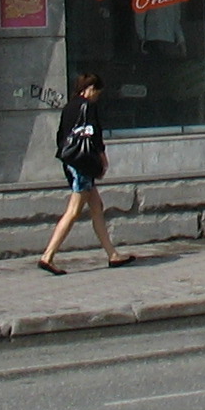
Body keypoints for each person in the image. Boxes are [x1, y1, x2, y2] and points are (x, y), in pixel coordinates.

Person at [38, 71, 135, 273]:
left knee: (97, 206)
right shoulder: (87, 106)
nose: (97, 96)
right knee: (73, 211)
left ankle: (113, 255)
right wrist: (102, 159)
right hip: (82, 165)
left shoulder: (69, 107)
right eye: (97, 92)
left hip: (71, 161)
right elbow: (94, 134)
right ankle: (47, 256)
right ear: (90, 89)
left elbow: (60, 136)